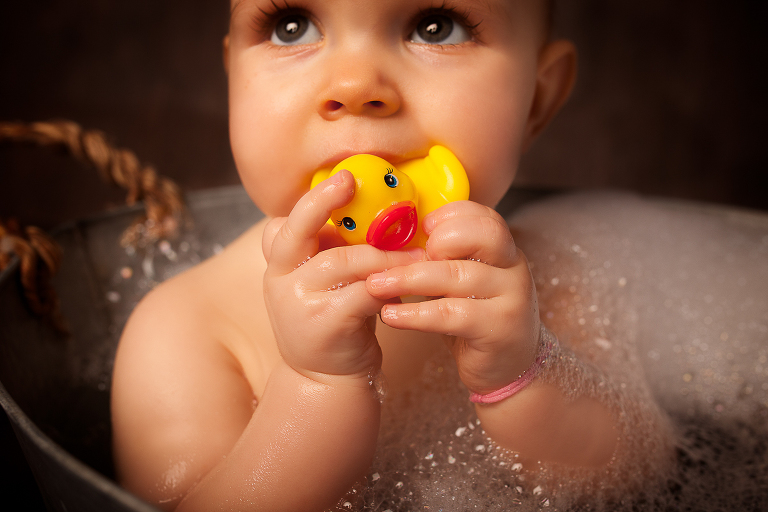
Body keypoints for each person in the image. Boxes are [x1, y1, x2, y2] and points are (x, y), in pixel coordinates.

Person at [110, 0, 627, 510]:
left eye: (435, 27)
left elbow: (634, 475)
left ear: (536, 100)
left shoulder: (551, 284)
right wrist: (316, 387)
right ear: (233, 78)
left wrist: (522, 377)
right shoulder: (187, 326)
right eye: (291, 27)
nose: (356, 86)